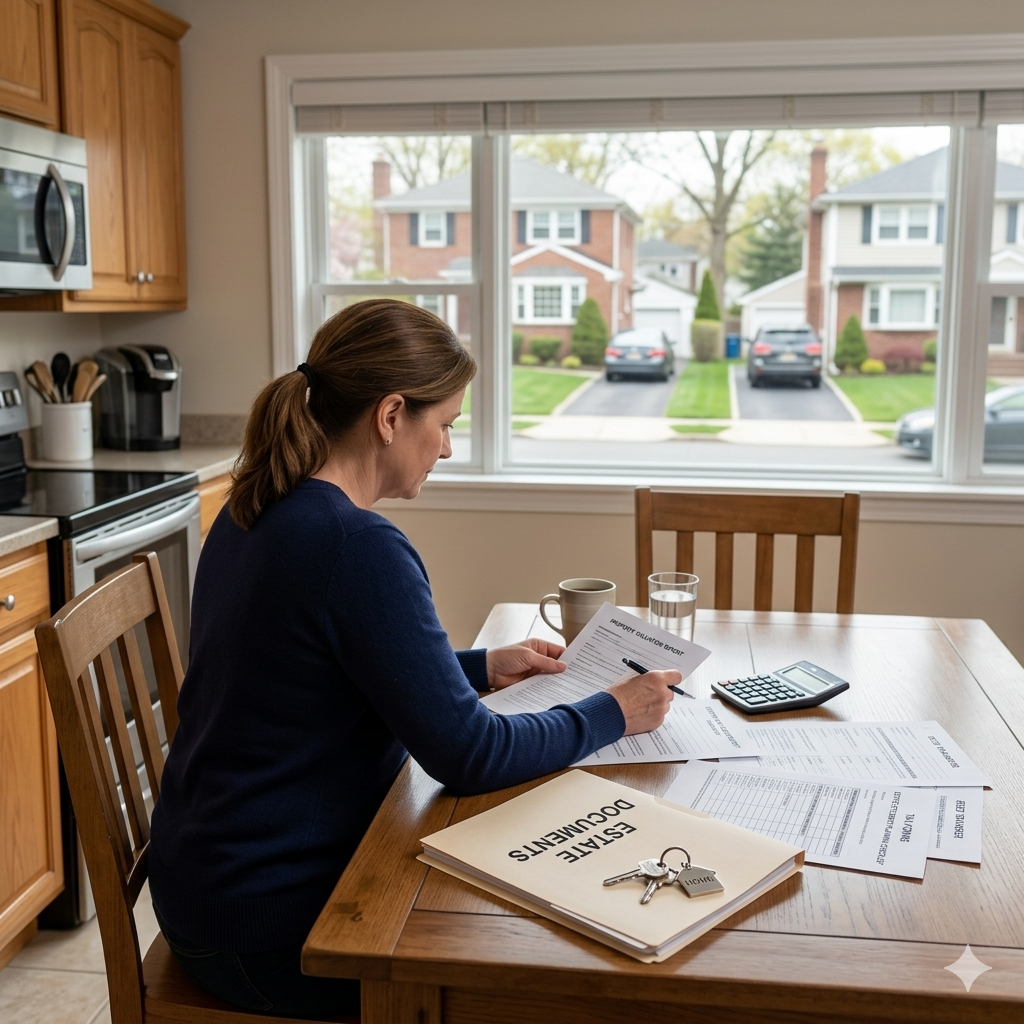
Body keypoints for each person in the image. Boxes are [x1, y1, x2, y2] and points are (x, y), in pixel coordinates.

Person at [148, 299, 680, 1018]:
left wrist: (478, 666)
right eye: (447, 424)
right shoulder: (357, 545)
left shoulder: (255, 508)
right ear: (392, 415)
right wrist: (613, 711)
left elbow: (307, 676)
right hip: (272, 931)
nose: (450, 447)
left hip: (210, 890)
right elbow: (469, 755)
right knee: (532, 974)